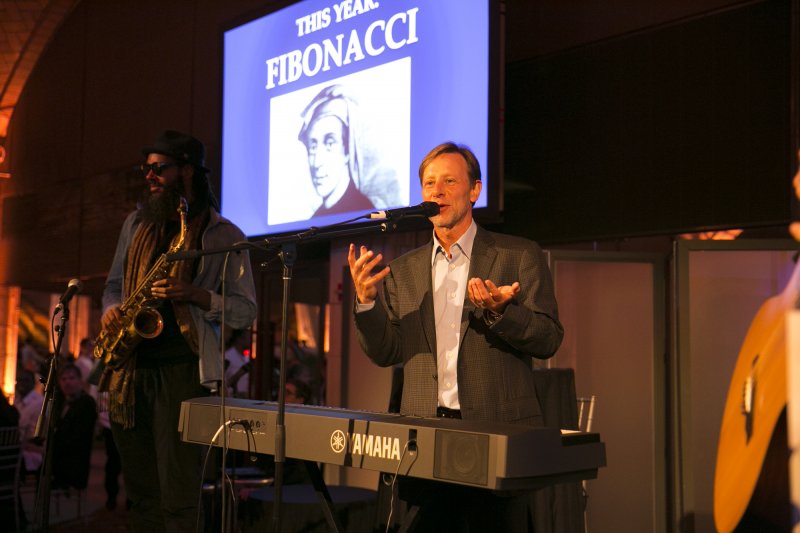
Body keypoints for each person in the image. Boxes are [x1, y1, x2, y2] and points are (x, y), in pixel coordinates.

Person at [347, 142, 564, 532]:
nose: (437, 192)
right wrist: (366, 303)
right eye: (430, 183)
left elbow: (549, 338)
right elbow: (386, 351)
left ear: (475, 190)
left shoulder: (518, 255)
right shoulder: (403, 270)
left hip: (494, 433)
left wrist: (502, 312)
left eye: (449, 181)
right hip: (423, 440)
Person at [97, 130, 257, 531]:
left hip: (183, 373)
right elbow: (113, 285)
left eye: (159, 168)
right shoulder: (136, 223)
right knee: (142, 495)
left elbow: (245, 311)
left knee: (179, 497)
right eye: (146, 169)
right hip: (131, 373)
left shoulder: (224, 235)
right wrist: (112, 310)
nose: (149, 176)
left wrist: (196, 295)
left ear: (187, 171)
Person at [298, 85, 375, 217]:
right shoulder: (316, 219)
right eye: (313, 147)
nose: (316, 163)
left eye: (330, 144)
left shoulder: (364, 212)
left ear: (347, 150)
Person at [50, 364, 97, 491]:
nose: (67, 382)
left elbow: (78, 437)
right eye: (63, 379)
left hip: (74, 462)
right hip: (61, 457)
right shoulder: (60, 402)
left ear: (80, 381)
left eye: (71, 378)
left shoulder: (87, 403)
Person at [224, 328, 251, 398]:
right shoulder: (228, 356)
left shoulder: (246, 358)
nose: (250, 341)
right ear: (239, 339)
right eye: (248, 338)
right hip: (232, 400)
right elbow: (224, 384)